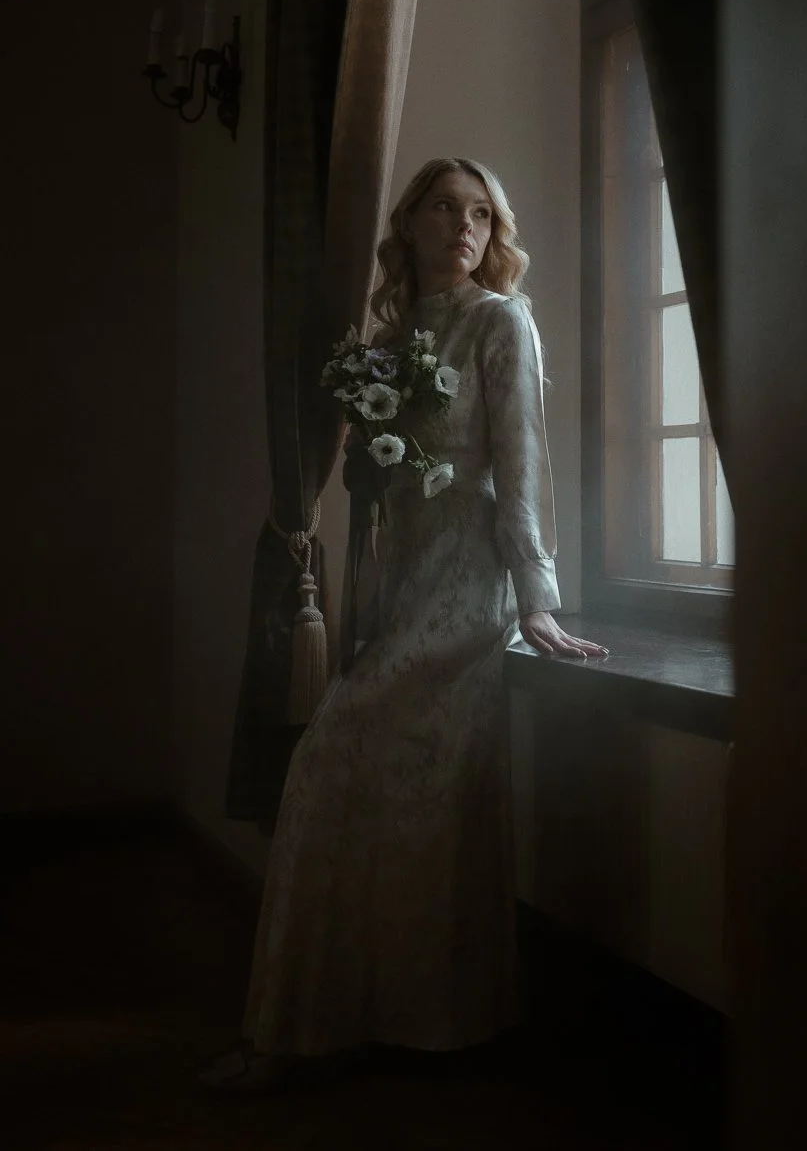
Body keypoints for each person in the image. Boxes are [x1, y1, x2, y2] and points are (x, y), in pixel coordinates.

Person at [200, 157, 608, 1093]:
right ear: (411, 221)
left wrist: (537, 598)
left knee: (340, 766)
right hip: (400, 586)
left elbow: (521, 467)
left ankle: (347, 1030)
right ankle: (350, 1021)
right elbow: (378, 489)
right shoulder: (389, 340)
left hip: (469, 589)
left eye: (481, 214)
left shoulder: (501, 321)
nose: (465, 227)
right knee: (389, 798)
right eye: (445, 208)